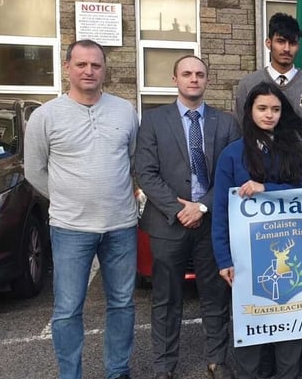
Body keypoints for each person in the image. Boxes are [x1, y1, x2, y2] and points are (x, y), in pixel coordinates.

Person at [24, 39, 139, 379]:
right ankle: (70, 374)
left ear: (105, 69)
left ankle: (118, 371)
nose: (89, 71)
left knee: (122, 304)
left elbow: (131, 160)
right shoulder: (45, 116)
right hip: (70, 228)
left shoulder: (125, 111)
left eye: (96, 65)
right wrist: (64, 199)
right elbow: (34, 171)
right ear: (67, 67)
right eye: (81, 64)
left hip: (121, 225)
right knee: (67, 310)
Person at [212, 81, 302, 379]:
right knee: (250, 334)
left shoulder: (291, 150)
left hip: (290, 256)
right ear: (249, 110)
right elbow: (221, 212)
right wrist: (223, 259)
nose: (269, 115)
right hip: (246, 259)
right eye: (262, 108)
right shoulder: (231, 154)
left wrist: (268, 189)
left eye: (275, 109)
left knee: (289, 334)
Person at [135, 55, 240, 379]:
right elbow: (146, 172)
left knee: (215, 295)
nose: (193, 79)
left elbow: (232, 174)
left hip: (211, 224)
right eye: (187, 74)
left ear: (207, 80)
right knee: (166, 299)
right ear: (175, 79)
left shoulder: (227, 123)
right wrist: (180, 209)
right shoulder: (153, 121)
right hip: (168, 224)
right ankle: (164, 365)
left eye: (199, 74)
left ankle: (216, 361)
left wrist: (203, 206)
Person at [236, 12, 302, 176]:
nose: (286, 48)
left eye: (292, 43)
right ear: (268, 43)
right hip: (258, 179)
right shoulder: (248, 84)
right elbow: (240, 133)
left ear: (298, 46)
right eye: (281, 41)